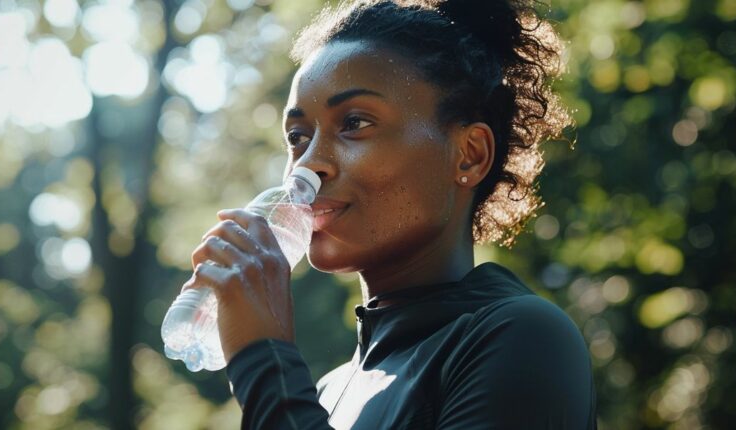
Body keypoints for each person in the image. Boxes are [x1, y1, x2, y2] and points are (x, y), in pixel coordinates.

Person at [182, 0, 598, 428]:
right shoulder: (326, 392)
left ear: (469, 156)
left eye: (355, 123)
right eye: (297, 136)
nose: (308, 164)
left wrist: (263, 359)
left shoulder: (523, 337)